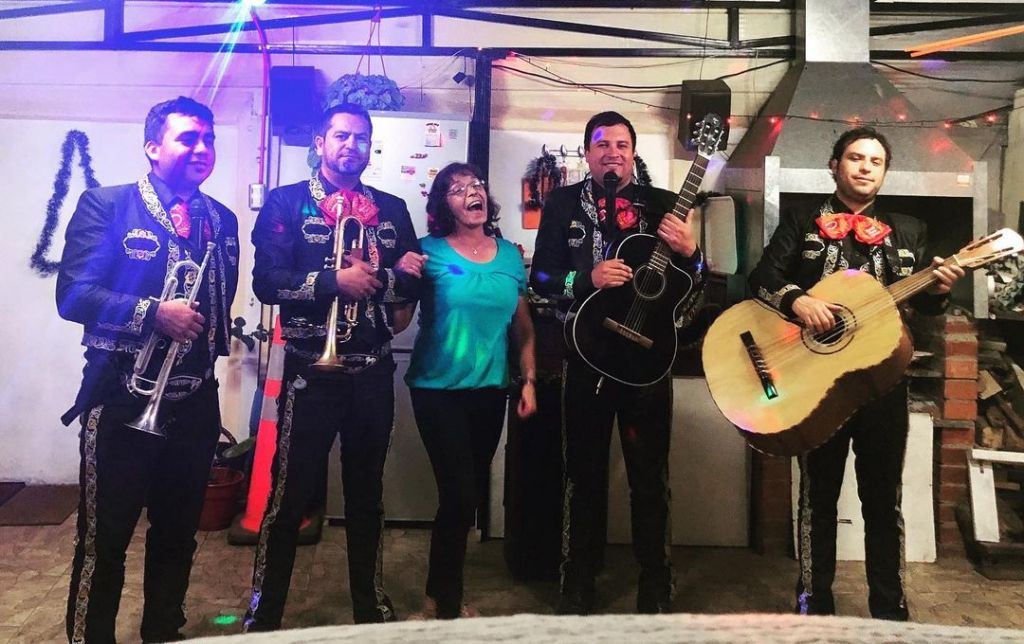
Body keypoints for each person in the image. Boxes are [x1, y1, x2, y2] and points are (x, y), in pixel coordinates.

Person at [748, 126, 965, 620]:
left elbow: (927, 310)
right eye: (855, 157)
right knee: (817, 498)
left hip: (883, 383)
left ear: (884, 172)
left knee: (883, 500)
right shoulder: (801, 220)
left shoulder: (909, 229)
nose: (866, 167)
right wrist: (797, 300)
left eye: (875, 161)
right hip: (819, 383)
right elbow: (762, 279)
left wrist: (938, 291)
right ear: (834, 166)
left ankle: (890, 609)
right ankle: (814, 603)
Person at [56, 96, 239, 643]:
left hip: (194, 399)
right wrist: (153, 313)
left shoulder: (222, 219)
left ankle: (163, 629)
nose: (202, 148)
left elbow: (216, 304)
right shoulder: (107, 205)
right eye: (188, 138)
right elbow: (73, 295)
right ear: (152, 147)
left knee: (178, 534)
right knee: (105, 538)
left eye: (209, 139)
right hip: (119, 393)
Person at [244, 103, 427, 630]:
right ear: (320, 142)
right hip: (310, 370)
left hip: (372, 370)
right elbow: (266, 283)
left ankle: (369, 602)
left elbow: (413, 279)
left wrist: (380, 278)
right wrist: (333, 282)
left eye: (361, 138)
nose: (352, 145)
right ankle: (265, 609)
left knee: (367, 494)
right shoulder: (286, 202)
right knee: (288, 494)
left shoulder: (392, 208)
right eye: (341, 136)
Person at [530, 111, 705, 615]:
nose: (613, 153)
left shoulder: (664, 204)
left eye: (622, 145)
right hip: (587, 355)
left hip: (647, 360)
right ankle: (578, 581)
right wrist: (585, 279)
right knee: (581, 475)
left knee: (650, 477)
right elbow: (541, 278)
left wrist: (693, 253)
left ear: (633, 153)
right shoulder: (562, 203)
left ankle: (656, 582)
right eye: (602, 144)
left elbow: (694, 284)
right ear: (587, 153)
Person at [404, 162, 537, 620]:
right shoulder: (427, 252)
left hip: (490, 391)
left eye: (476, 184)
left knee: (466, 496)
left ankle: (440, 593)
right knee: (459, 494)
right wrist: (398, 274)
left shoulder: (510, 256)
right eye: (458, 189)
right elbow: (399, 319)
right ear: (444, 205)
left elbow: (523, 327)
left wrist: (529, 380)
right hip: (436, 390)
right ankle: (445, 602)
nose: (471, 192)